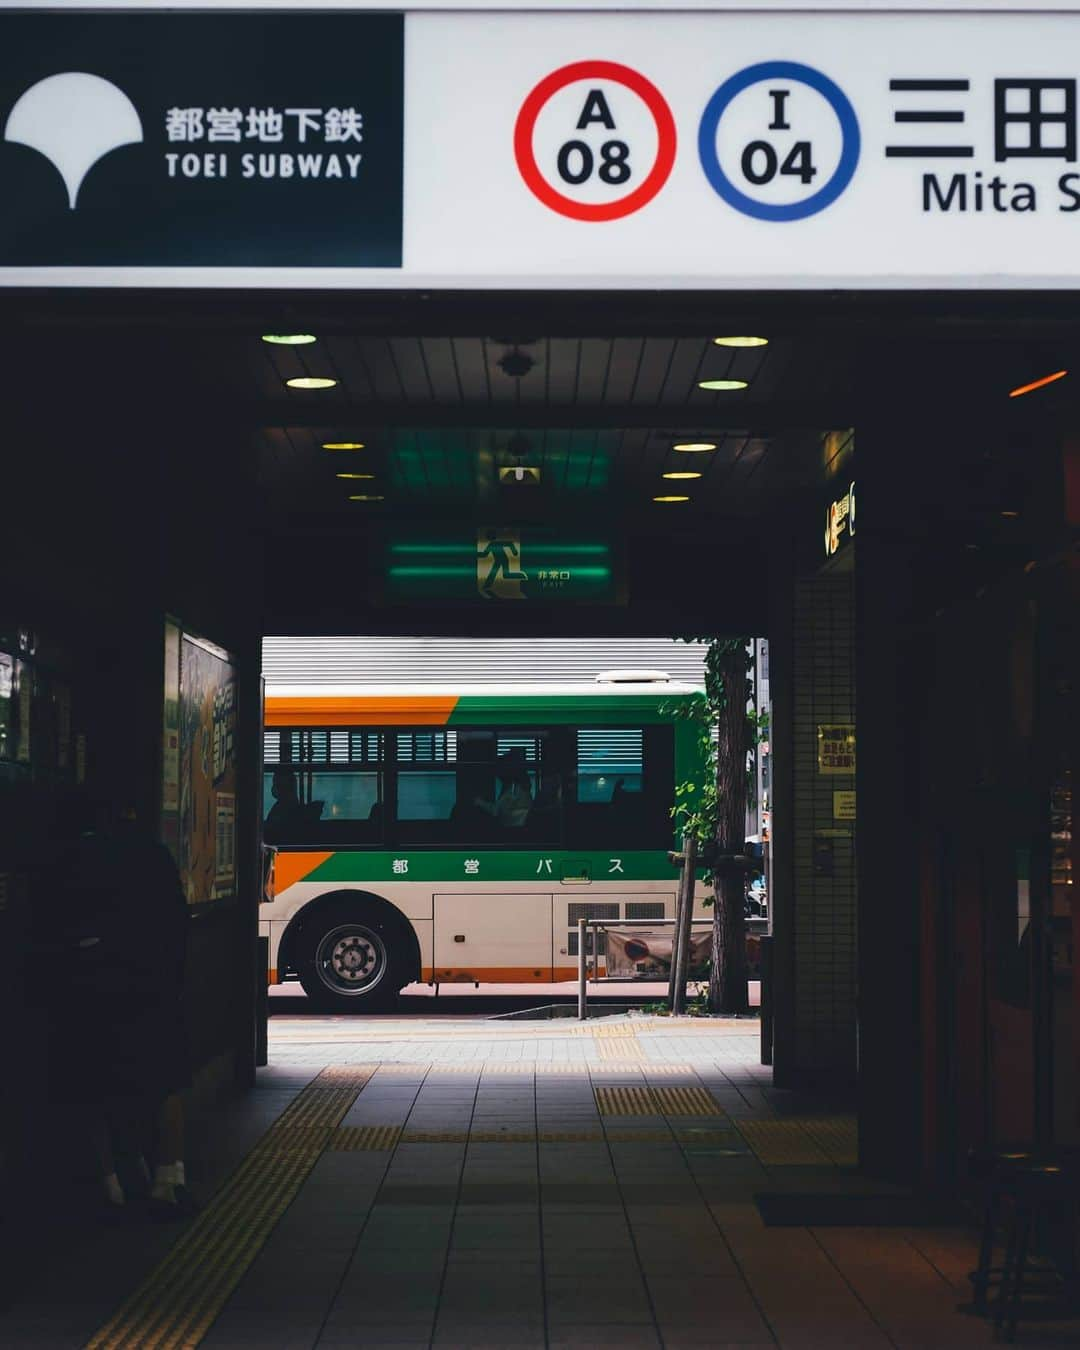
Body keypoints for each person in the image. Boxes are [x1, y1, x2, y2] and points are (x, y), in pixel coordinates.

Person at [50, 792, 194, 1220]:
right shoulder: (154, 856)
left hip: (94, 987)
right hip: (153, 987)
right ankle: (169, 1180)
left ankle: (110, 1182)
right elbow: (176, 921)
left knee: (95, 1086)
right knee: (165, 1083)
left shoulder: (76, 858)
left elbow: (60, 924)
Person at [474, 752, 533, 828]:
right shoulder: (517, 788)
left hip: (513, 830)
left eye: (499, 770)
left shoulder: (515, 790)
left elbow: (497, 811)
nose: (497, 775)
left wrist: (480, 802)